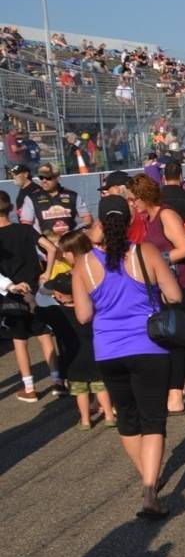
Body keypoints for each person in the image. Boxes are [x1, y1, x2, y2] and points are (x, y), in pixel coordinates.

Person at [72, 195, 182, 520]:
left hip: (108, 350)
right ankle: (150, 491)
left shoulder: (84, 264)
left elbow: (82, 316)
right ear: (129, 220)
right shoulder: (144, 252)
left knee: (128, 419)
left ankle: (148, 480)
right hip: (149, 346)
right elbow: (174, 295)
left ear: (102, 224)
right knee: (153, 420)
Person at [128, 175, 185, 413]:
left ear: (145, 196)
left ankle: (176, 396)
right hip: (165, 285)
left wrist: (156, 261)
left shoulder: (166, 214)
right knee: (175, 334)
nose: (133, 204)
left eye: (135, 199)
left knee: (173, 337)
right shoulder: (150, 218)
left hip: (179, 284)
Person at [0, 190, 61, 401]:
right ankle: (57, 381)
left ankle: (29, 387)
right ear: (10, 209)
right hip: (36, 289)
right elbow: (51, 249)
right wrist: (47, 273)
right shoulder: (25, 229)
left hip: (11, 293)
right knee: (44, 334)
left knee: (19, 339)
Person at [42, 273, 115, 429]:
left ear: (60, 296)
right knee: (101, 388)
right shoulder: (91, 309)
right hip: (94, 355)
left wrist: (29, 300)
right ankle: (109, 415)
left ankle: (85, 420)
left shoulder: (57, 313)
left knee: (80, 393)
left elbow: (38, 311)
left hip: (73, 361)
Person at [19, 166, 93, 237]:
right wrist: (41, 241)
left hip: (69, 243)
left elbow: (87, 219)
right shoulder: (32, 198)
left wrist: (74, 234)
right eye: (41, 178)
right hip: (45, 245)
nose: (44, 181)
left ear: (57, 178)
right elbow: (26, 225)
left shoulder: (72, 195)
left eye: (48, 178)